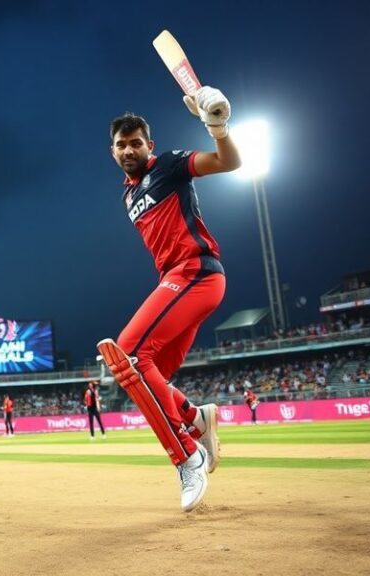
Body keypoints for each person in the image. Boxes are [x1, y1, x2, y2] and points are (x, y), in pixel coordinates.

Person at [97, 85, 242, 512]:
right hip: (177, 282)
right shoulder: (127, 194)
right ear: (112, 151)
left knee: (128, 354)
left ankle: (187, 455)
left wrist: (217, 126)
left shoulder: (171, 165)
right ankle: (196, 418)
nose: (128, 149)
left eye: (136, 143)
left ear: (149, 145)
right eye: (121, 145)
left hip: (196, 274)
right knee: (147, 373)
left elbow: (229, 161)